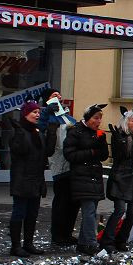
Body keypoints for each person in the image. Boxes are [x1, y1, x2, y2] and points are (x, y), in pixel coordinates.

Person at [8, 101, 56, 257]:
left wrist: (52, 132)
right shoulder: (19, 132)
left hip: (35, 179)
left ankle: (28, 243)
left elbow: (47, 152)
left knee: (32, 214)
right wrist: (20, 133)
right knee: (19, 213)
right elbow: (19, 151)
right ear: (25, 114)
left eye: (38, 112)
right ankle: (15, 246)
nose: (37, 115)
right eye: (34, 112)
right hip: (22, 180)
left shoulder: (37, 132)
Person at [64, 104, 110, 256]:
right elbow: (70, 155)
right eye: (96, 118)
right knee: (89, 211)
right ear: (88, 118)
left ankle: (83, 243)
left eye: (100, 118)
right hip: (81, 176)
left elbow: (104, 155)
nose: (98, 122)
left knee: (91, 210)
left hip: (94, 175)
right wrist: (91, 152)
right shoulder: (75, 131)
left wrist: (101, 142)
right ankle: (91, 242)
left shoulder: (98, 134)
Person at [101, 107, 133, 252]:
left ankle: (122, 240)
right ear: (126, 122)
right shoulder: (119, 135)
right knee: (119, 210)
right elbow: (118, 156)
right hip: (120, 175)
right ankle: (107, 240)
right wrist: (121, 141)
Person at [39, 87, 80, 246]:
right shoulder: (46, 117)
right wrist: (46, 113)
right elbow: (40, 129)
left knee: (73, 201)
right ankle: (58, 234)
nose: (59, 97)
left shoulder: (66, 116)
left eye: (59, 95)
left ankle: (67, 233)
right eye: (54, 96)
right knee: (61, 200)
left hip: (72, 164)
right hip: (58, 164)